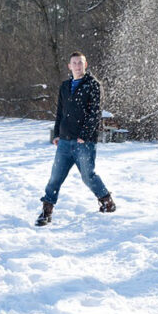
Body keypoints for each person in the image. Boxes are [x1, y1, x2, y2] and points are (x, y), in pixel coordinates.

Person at [36, 51, 116, 226]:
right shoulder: (64, 86)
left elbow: (95, 112)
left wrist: (84, 135)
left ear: (85, 65)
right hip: (64, 141)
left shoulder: (92, 85)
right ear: (69, 66)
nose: (78, 66)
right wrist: (57, 134)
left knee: (88, 177)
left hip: (84, 142)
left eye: (80, 63)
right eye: (74, 63)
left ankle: (107, 202)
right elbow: (60, 112)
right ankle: (46, 211)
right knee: (55, 177)